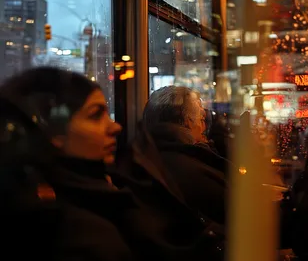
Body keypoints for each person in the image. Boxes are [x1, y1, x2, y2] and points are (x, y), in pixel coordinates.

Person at [0, 67, 224, 261]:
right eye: (95, 115)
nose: (115, 127)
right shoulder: (76, 232)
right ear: (52, 132)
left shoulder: (107, 186)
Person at [137, 85, 230, 225]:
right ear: (187, 122)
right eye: (201, 120)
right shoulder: (191, 168)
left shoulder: (148, 158)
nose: (204, 128)